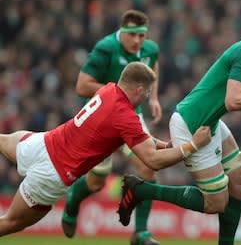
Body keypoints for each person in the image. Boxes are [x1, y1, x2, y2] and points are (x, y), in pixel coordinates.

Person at [116, 4, 241, 245]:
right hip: (192, 123)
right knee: (216, 202)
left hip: (211, 123)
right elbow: (233, 101)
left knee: (240, 184)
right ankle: (141, 190)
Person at [0, 62, 212, 237]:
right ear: (138, 89)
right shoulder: (125, 116)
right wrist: (192, 145)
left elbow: (141, 138)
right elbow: (153, 161)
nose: (147, 96)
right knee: (12, 222)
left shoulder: (109, 89)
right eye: (147, 92)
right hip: (52, 173)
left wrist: (165, 145)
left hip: (42, 144)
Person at [61, 9, 163, 245]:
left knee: (149, 165)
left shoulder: (150, 49)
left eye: (141, 35)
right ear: (121, 31)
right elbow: (82, 86)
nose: (137, 41)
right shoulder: (105, 48)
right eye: (132, 35)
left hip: (131, 118)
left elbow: (153, 68)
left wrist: (154, 98)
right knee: (97, 181)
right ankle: (74, 198)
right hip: (101, 119)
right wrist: (116, 95)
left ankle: (140, 233)